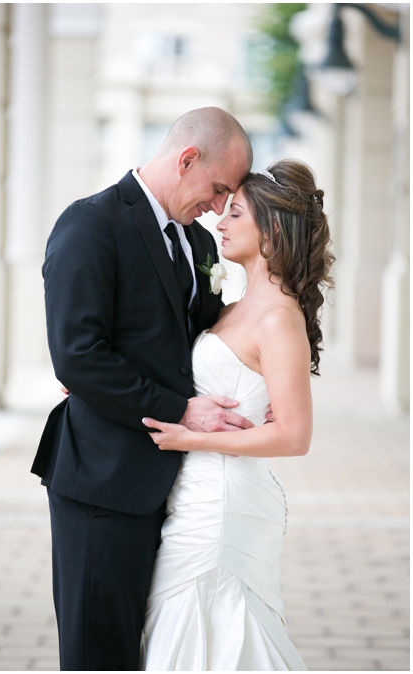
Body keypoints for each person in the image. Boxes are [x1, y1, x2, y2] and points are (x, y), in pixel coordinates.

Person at [31, 107, 256, 670]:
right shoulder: (90, 224)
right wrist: (182, 410)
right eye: (218, 189)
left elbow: (204, 340)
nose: (217, 207)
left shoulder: (200, 245)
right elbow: (77, 357)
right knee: (99, 654)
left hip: (176, 490)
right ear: (186, 159)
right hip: (102, 485)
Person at [140, 159, 333, 670]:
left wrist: (192, 440)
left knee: (217, 632)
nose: (219, 223)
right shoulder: (236, 305)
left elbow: (294, 436)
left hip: (226, 508)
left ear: (271, 230)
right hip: (198, 494)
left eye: (235, 213)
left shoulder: (276, 318)